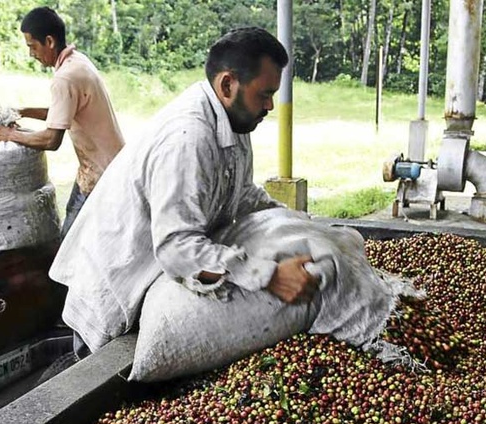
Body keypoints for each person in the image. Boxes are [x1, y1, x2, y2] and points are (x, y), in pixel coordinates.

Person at [48, 27, 318, 356]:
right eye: (264, 94)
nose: (271, 106)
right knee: (107, 382)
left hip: (150, 278)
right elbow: (177, 247)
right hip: (118, 283)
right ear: (228, 84)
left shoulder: (234, 120)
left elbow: (242, 194)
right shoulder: (188, 138)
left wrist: (299, 224)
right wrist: (269, 276)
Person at [0, 7, 124, 237]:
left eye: (33, 46)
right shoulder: (77, 61)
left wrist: (10, 135)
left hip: (101, 175)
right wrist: (23, 111)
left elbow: (52, 139)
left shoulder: (65, 77)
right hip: (107, 168)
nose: (31, 53)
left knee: (71, 244)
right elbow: (63, 112)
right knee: (85, 239)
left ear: (49, 41)